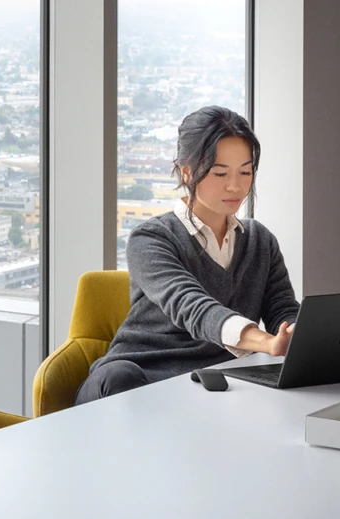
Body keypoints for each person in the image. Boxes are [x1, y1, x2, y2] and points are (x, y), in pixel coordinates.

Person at [74, 106, 300, 405]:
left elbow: (282, 309)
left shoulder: (259, 240)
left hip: (213, 385)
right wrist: (264, 342)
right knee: (119, 377)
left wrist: (297, 332)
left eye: (245, 171)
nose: (236, 185)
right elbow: (193, 307)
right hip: (134, 380)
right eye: (220, 173)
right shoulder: (150, 239)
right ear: (187, 172)